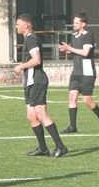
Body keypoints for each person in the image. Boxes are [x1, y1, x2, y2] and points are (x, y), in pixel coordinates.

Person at [13, 13, 68, 157]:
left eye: (19, 23)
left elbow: (37, 60)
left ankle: (60, 146)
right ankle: (43, 148)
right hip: (30, 82)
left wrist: (21, 66)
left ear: (27, 25)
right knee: (31, 116)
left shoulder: (31, 38)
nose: (17, 26)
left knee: (41, 114)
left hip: (37, 81)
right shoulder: (27, 39)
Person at [58, 11, 99, 134]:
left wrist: (69, 48)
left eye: (76, 22)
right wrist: (67, 48)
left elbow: (85, 52)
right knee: (72, 96)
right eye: (74, 22)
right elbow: (76, 51)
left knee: (86, 100)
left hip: (87, 71)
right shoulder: (74, 36)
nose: (74, 24)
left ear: (83, 24)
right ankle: (72, 126)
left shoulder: (88, 35)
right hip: (76, 71)